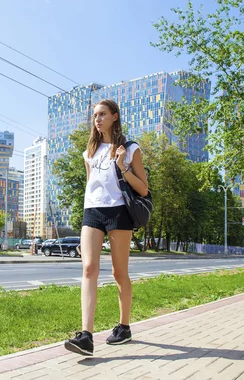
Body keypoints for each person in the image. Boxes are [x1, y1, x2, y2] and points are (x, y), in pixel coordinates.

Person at [64, 99, 149, 356]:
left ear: (115, 116)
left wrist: (123, 166)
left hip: (119, 212)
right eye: (94, 116)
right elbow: (91, 186)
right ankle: (86, 336)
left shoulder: (130, 148)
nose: (97, 119)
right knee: (89, 268)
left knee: (118, 273)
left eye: (102, 114)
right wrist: (83, 232)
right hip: (92, 212)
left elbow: (143, 189)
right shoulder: (89, 151)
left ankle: (124, 327)